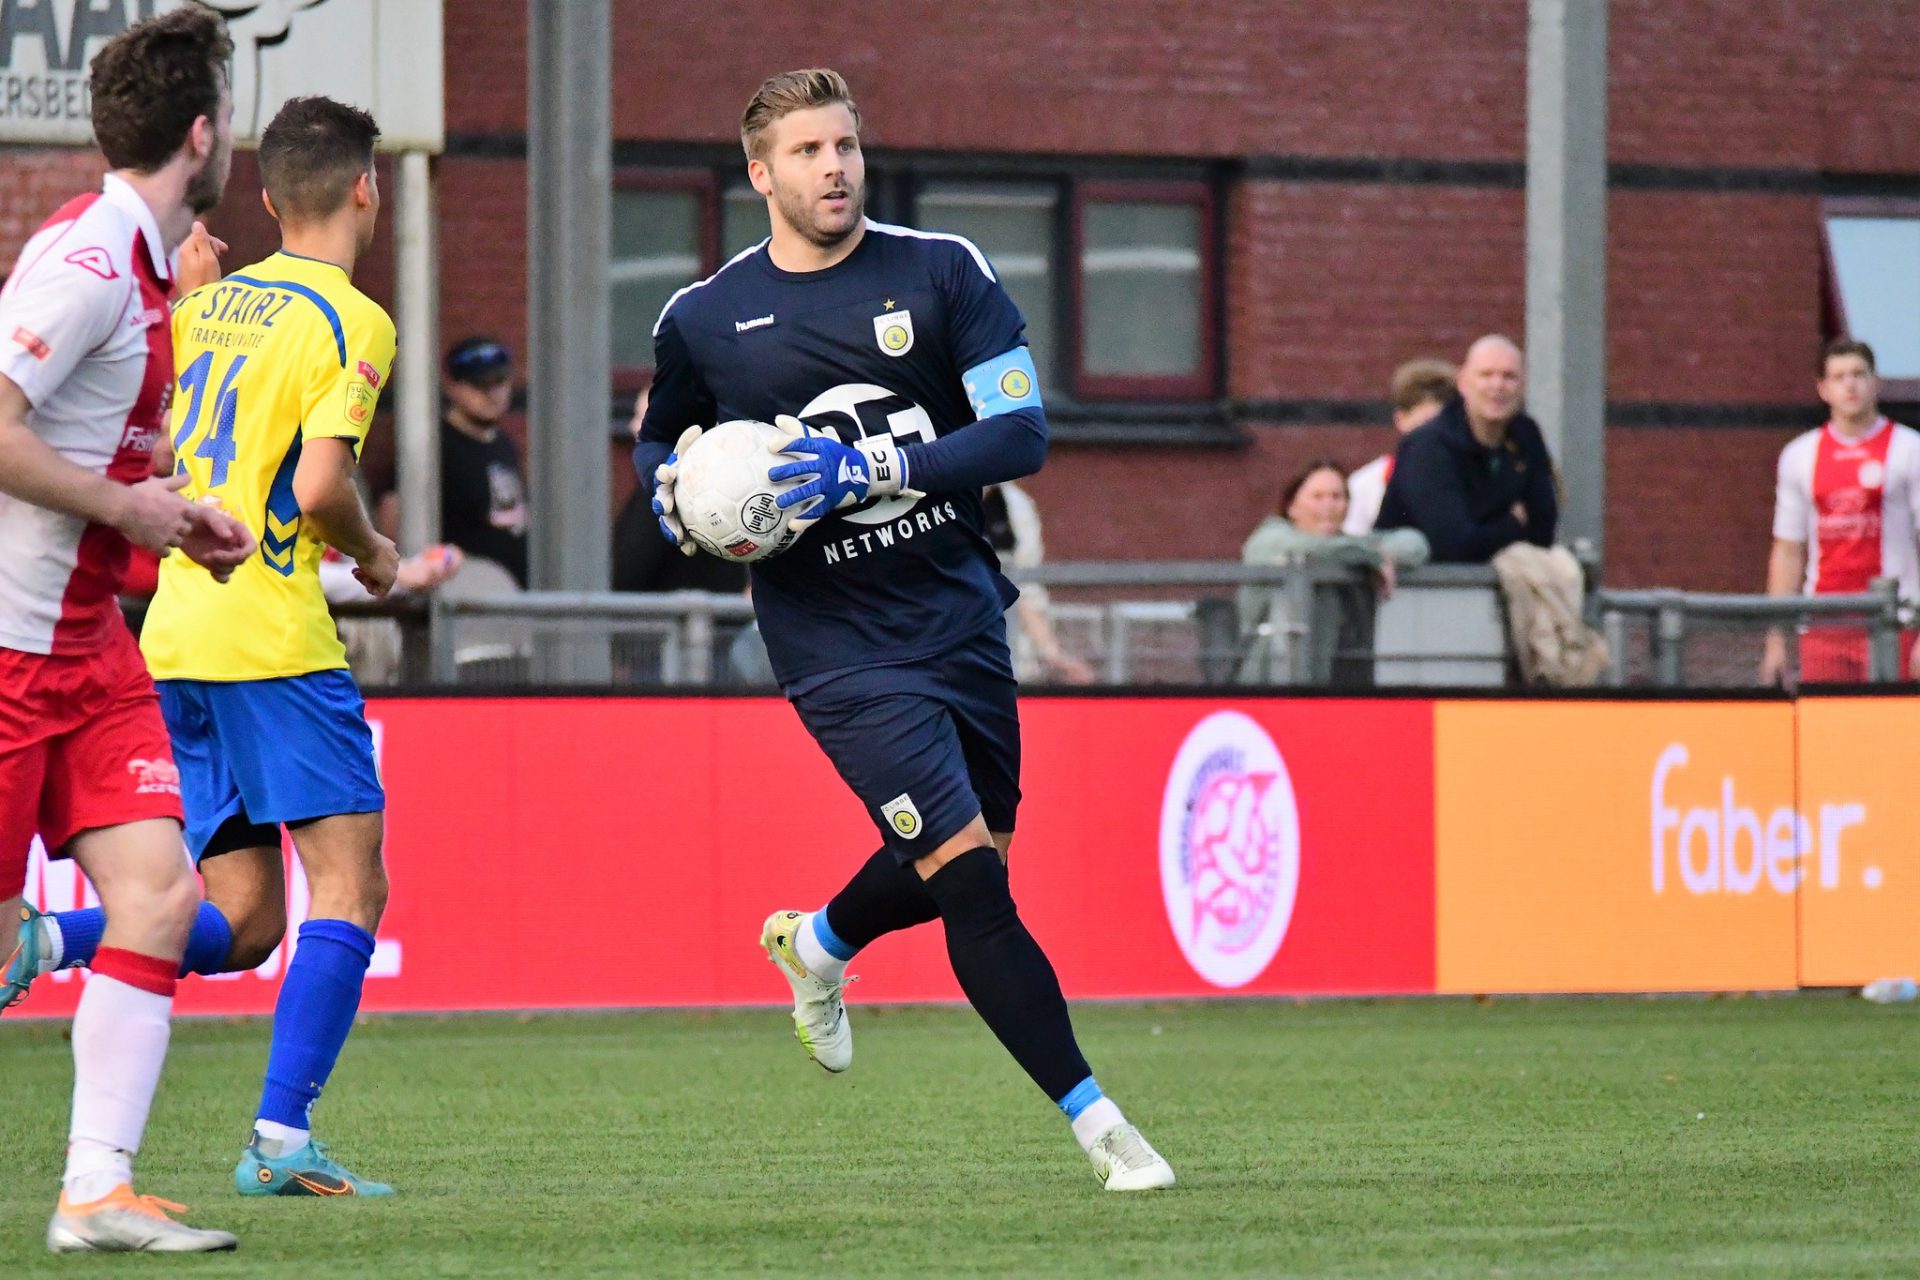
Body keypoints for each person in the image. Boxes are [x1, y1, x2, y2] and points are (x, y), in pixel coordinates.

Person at [637, 69, 1174, 1191]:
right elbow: (662, 441)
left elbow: (1021, 434)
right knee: (974, 885)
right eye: (807, 152)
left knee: (968, 861)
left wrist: (876, 463)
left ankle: (819, 942)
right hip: (836, 645)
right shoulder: (704, 317)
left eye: (845, 146)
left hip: (959, 613)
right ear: (761, 174)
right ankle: (1103, 1127)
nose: (834, 167)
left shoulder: (941, 271)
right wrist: (670, 494)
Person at [10, 97, 403, 1199]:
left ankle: (44, 941)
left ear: (270, 198)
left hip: (173, 633)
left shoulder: (201, 301)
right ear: (365, 188)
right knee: (350, 887)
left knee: (240, 919)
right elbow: (322, 485)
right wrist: (371, 554)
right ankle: (282, 1136)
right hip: (272, 632)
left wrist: (193, 298)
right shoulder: (354, 319)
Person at [0, 7, 249, 1253]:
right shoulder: (93, 262)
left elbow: (99, 451)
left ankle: (96, 1188)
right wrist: (125, 505)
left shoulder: (151, 263)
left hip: (89, 643)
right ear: (202, 133)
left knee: (158, 892)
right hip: (3, 647)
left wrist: (172, 519)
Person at [1761, 339, 1920, 685]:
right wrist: (1776, 640)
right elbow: (1788, 550)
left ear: (1876, 383)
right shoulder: (1800, 455)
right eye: (1839, 377)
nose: (1850, 385)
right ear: (1823, 389)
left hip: (1896, 621)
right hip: (1824, 626)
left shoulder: (1910, 449)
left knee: (1894, 732)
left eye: (1859, 374)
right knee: (1828, 731)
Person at [1238, 459, 1429, 685]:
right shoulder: (1270, 538)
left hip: (1347, 683)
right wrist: (1370, 558)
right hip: (1269, 682)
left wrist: (1374, 555)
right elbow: (1303, 550)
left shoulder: (1355, 546)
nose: (1328, 505)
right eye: (1317, 497)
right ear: (1292, 506)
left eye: (1337, 497)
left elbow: (1415, 544)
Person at [1374, 334, 1557, 563]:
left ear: (1523, 385)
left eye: (1509, 377)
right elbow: (1453, 547)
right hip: (1417, 591)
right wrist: (1512, 523)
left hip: (1493, 589)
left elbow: (1543, 531)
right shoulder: (1429, 446)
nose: (1497, 386)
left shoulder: (1525, 435)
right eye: (1486, 375)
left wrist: (1485, 532)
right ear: (1463, 382)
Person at [984, 481, 1096, 684]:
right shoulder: (928, 500)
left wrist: (1054, 655)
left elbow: (1024, 591)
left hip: (999, 660)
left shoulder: (1014, 507)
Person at [440, 335, 529, 585]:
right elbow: (394, 513)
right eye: (479, 385)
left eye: (499, 382)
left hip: (513, 591)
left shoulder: (504, 444)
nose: (492, 394)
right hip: (465, 590)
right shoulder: (436, 447)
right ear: (453, 387)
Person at [1344, 357, 1456, 535]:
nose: (1435, 436)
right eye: (1426, 425)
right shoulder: (1365, 485)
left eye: (1444, 425)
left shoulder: (1474, 480)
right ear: (1401, 420)